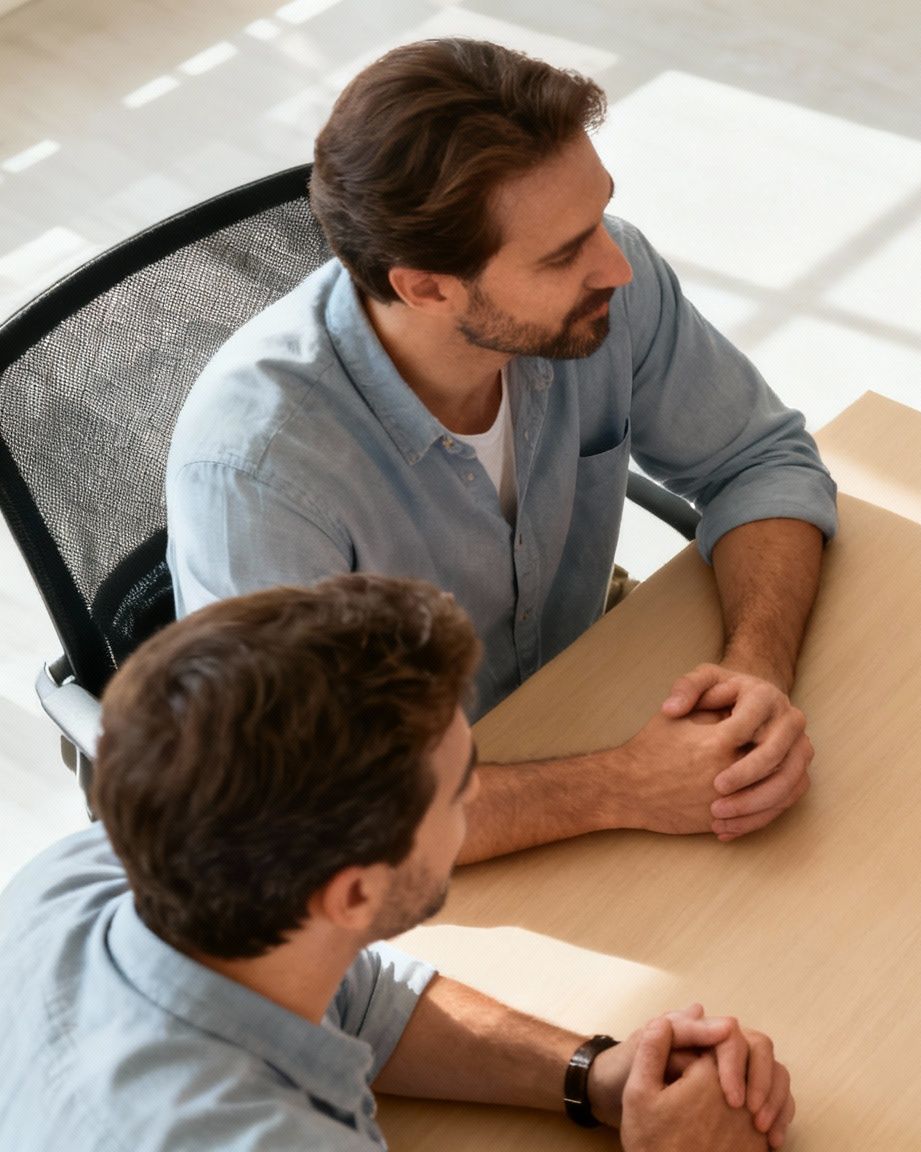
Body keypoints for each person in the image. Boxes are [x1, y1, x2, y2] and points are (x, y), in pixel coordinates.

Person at [166, 38, 837, 860]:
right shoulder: (258, 474)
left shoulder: (603, 292)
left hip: (583, 693)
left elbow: (759, 460)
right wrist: (625, 785)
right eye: (563, 254)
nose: (616, 267)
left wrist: (757, 667)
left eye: (596, 218)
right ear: (426, 287)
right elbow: (323, 810)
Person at [0, 576, 795, 1150]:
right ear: (352, 893)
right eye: (458, 790)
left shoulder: (96, 869)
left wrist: (596, 1076)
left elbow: (359, 998)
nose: (478, 798)